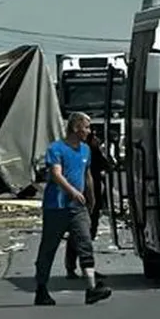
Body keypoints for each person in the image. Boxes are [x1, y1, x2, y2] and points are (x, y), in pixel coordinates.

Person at [33, 112, 112, 307]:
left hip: (78, 208)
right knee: (48, 248)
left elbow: (87, 176)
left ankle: (91, 288)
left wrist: (92, 197)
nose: (89, 131)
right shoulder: (56, 149)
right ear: (76, 128)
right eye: (86, 127)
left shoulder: (85, 150)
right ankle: (41, 289)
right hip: (56, 207)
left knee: (85, 243)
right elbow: (56, 174)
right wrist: (73, 192)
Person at [66, 122, 112, 280]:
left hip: (92, 196)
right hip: (81, 196)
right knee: (80, 234)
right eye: (86, 129)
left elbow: (104, 165)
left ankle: (85, 268)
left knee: (87, 234)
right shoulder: (79, 149)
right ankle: (74, 268)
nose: (89, 132)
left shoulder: (89, 148)